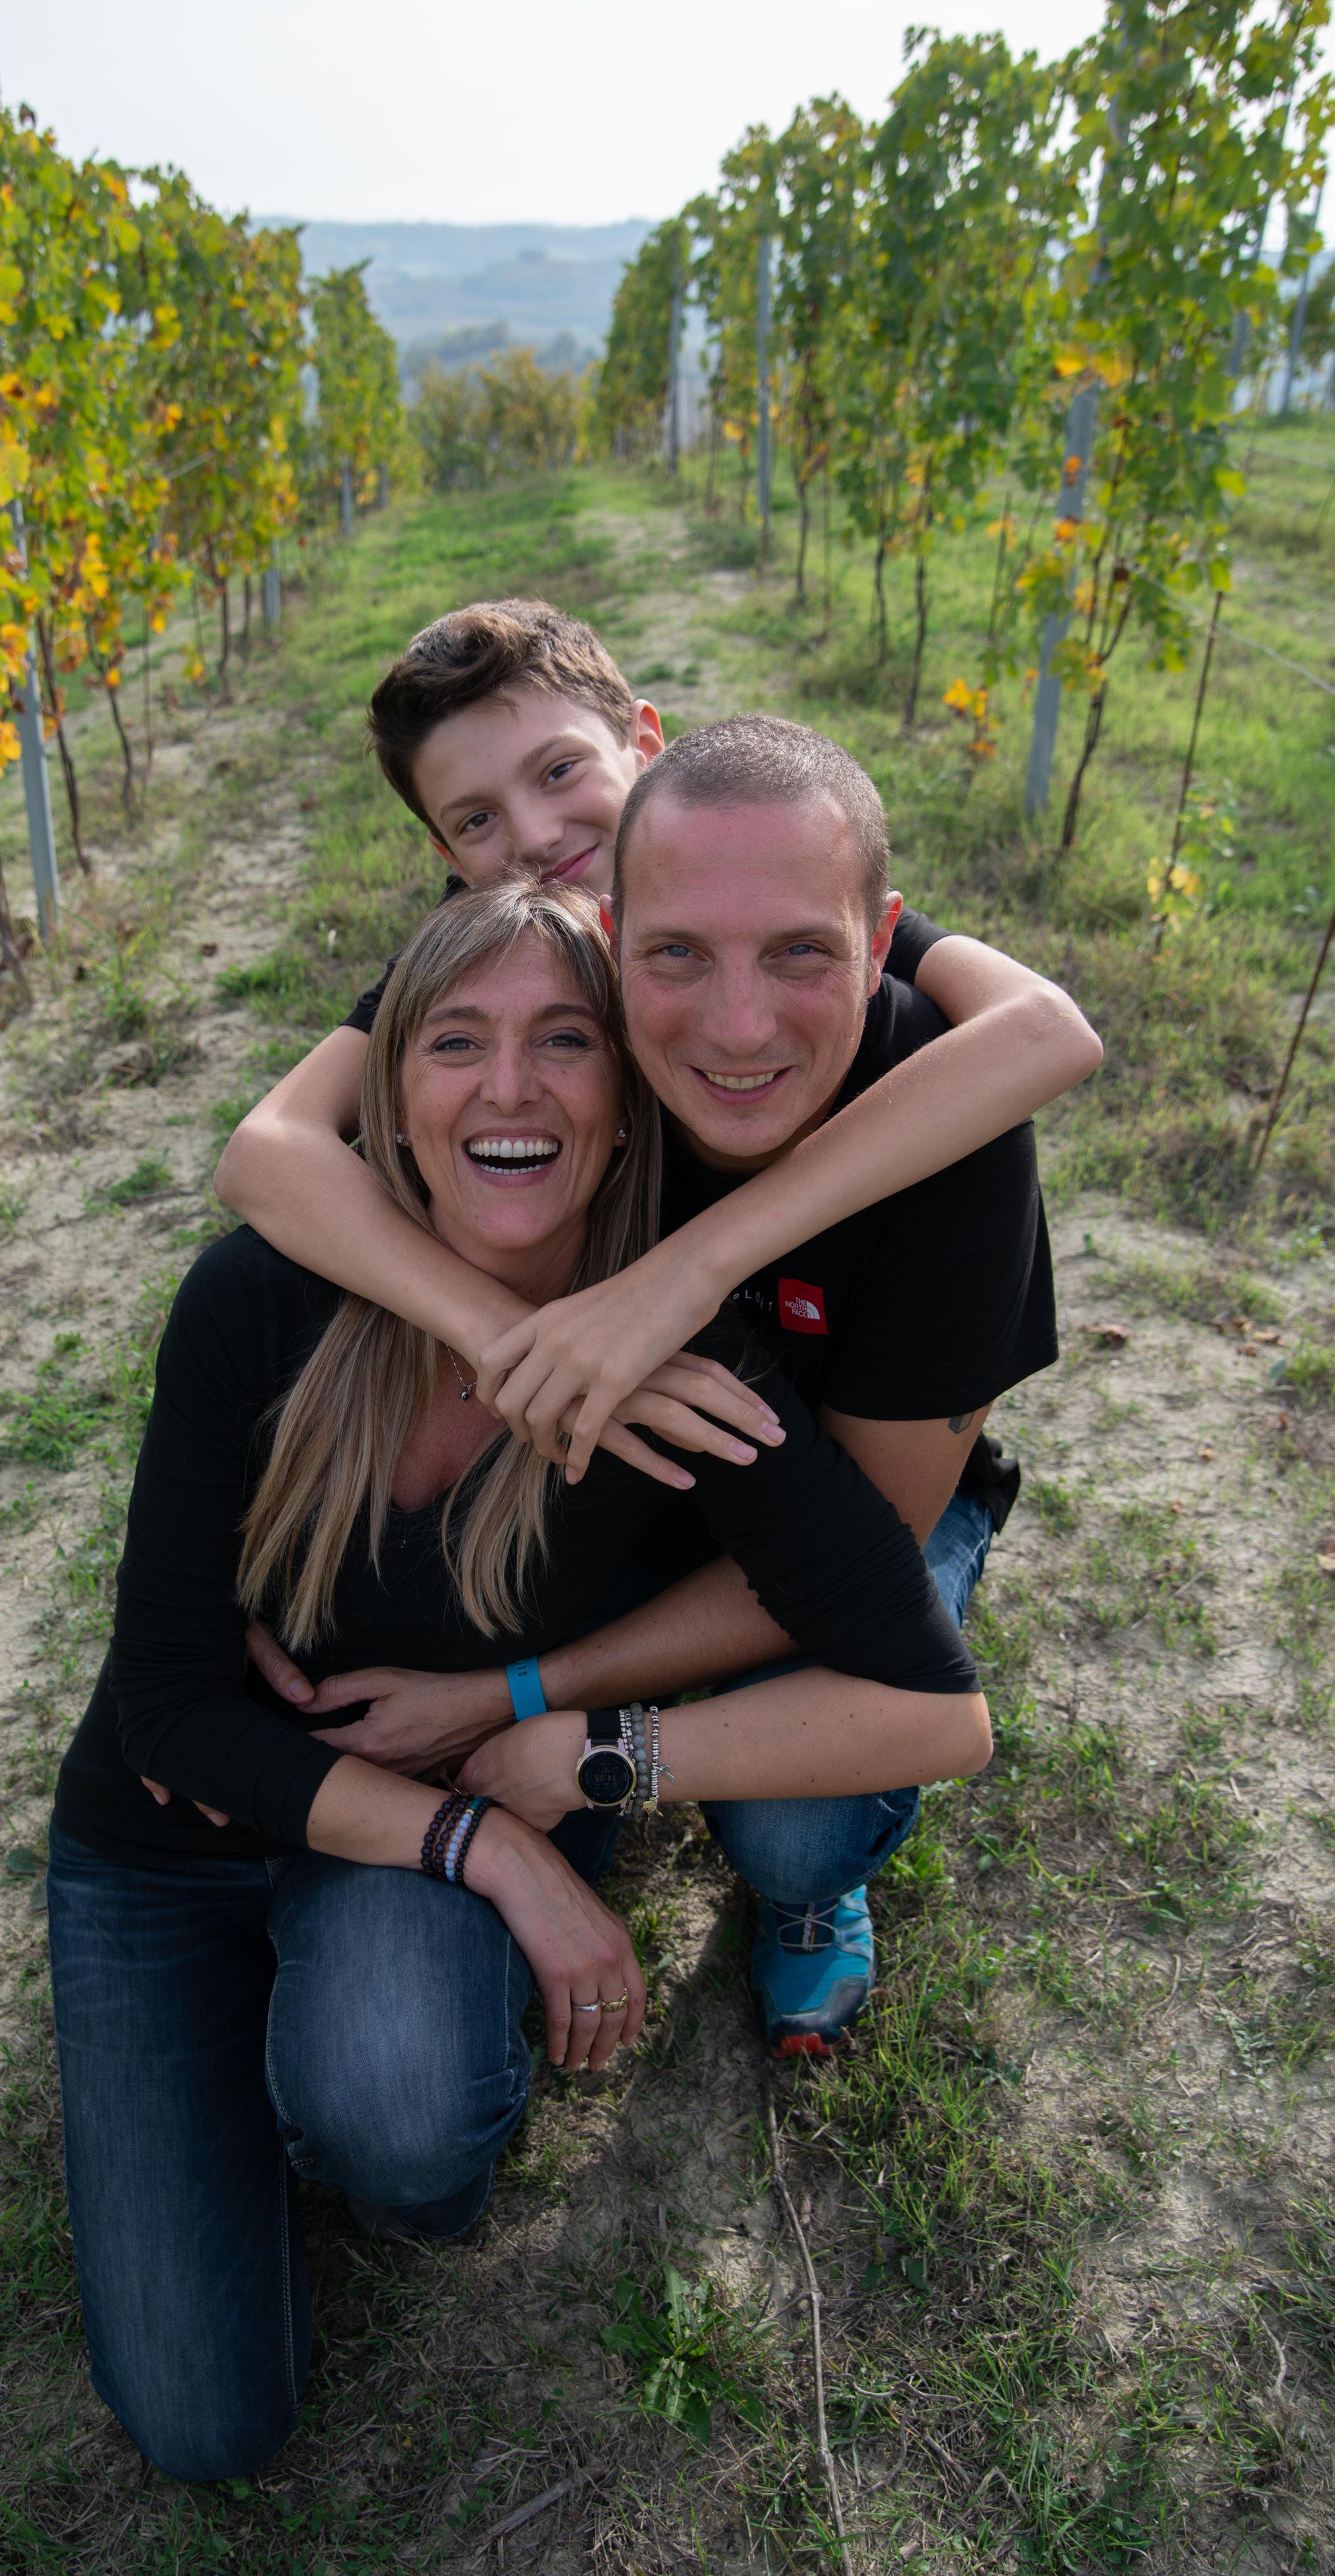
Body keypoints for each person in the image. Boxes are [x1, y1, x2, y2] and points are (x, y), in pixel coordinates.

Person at [48, 881, 990, 2483]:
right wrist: (490, 1850)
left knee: (406, 2135)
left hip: (401, 1833)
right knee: (203, 2430)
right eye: (454, 1044)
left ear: (624, 1109)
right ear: (390, 1100)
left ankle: (345, 2082)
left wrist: (604, 1755)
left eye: (563, 1041)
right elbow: (169, 1710)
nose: (507, 1088)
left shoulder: (689, 1379)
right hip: (168, 1845)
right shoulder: (259, 1301)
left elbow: (936, 1716)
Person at [215, 607, 1102, 2053]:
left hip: (854, 1501)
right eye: (476, 820)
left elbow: (1049, 1032)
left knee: (791, 1831)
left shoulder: (878, 1015)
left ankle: (791, 1874)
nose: (534, 840)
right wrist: (508, 1333)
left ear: (643, 743)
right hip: (632, 1486)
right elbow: (266, 1155)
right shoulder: (541, 992)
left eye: (560, 775)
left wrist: (680, 1279)